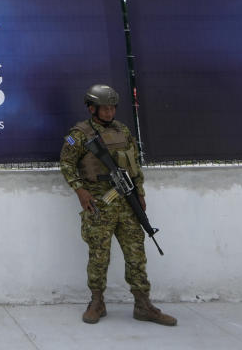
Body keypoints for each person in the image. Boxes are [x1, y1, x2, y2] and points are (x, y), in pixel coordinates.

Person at [59, 84, 176, 327]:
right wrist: (80, 191)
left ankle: (143, 304)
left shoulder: (123, 130)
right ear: (92, 108)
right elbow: (66, 164)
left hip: (127, 201)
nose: (110, 112)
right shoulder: (79, 134)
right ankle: (97, 302)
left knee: (136, 254)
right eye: (105, 108)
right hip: (99, 203)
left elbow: (134, 165)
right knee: (99, 255)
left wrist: (139, 193)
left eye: (113, 108)